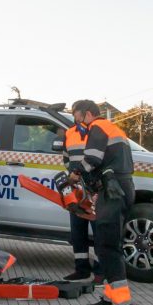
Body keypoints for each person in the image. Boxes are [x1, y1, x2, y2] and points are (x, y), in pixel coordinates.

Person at [67, 100, 136, 305]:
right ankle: (109, 299)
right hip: (116, 188)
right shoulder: (114, 129)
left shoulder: (98, 126)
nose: (79, 124)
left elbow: (92, 159)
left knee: (108, 248)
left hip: (113, 192)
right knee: (105, 247)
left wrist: (75, 174)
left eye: (78, 118)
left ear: (87, 114)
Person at [63, 122, 104, 284]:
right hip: (77, 189)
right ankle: (81, 270)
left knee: (99, 232)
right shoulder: (69, 133)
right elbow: (66, 159)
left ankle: (101, 272)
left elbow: (102, 158)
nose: (76, 117)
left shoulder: (97, 132)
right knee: (77, 231)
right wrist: (73, 175)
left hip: (95, 188)